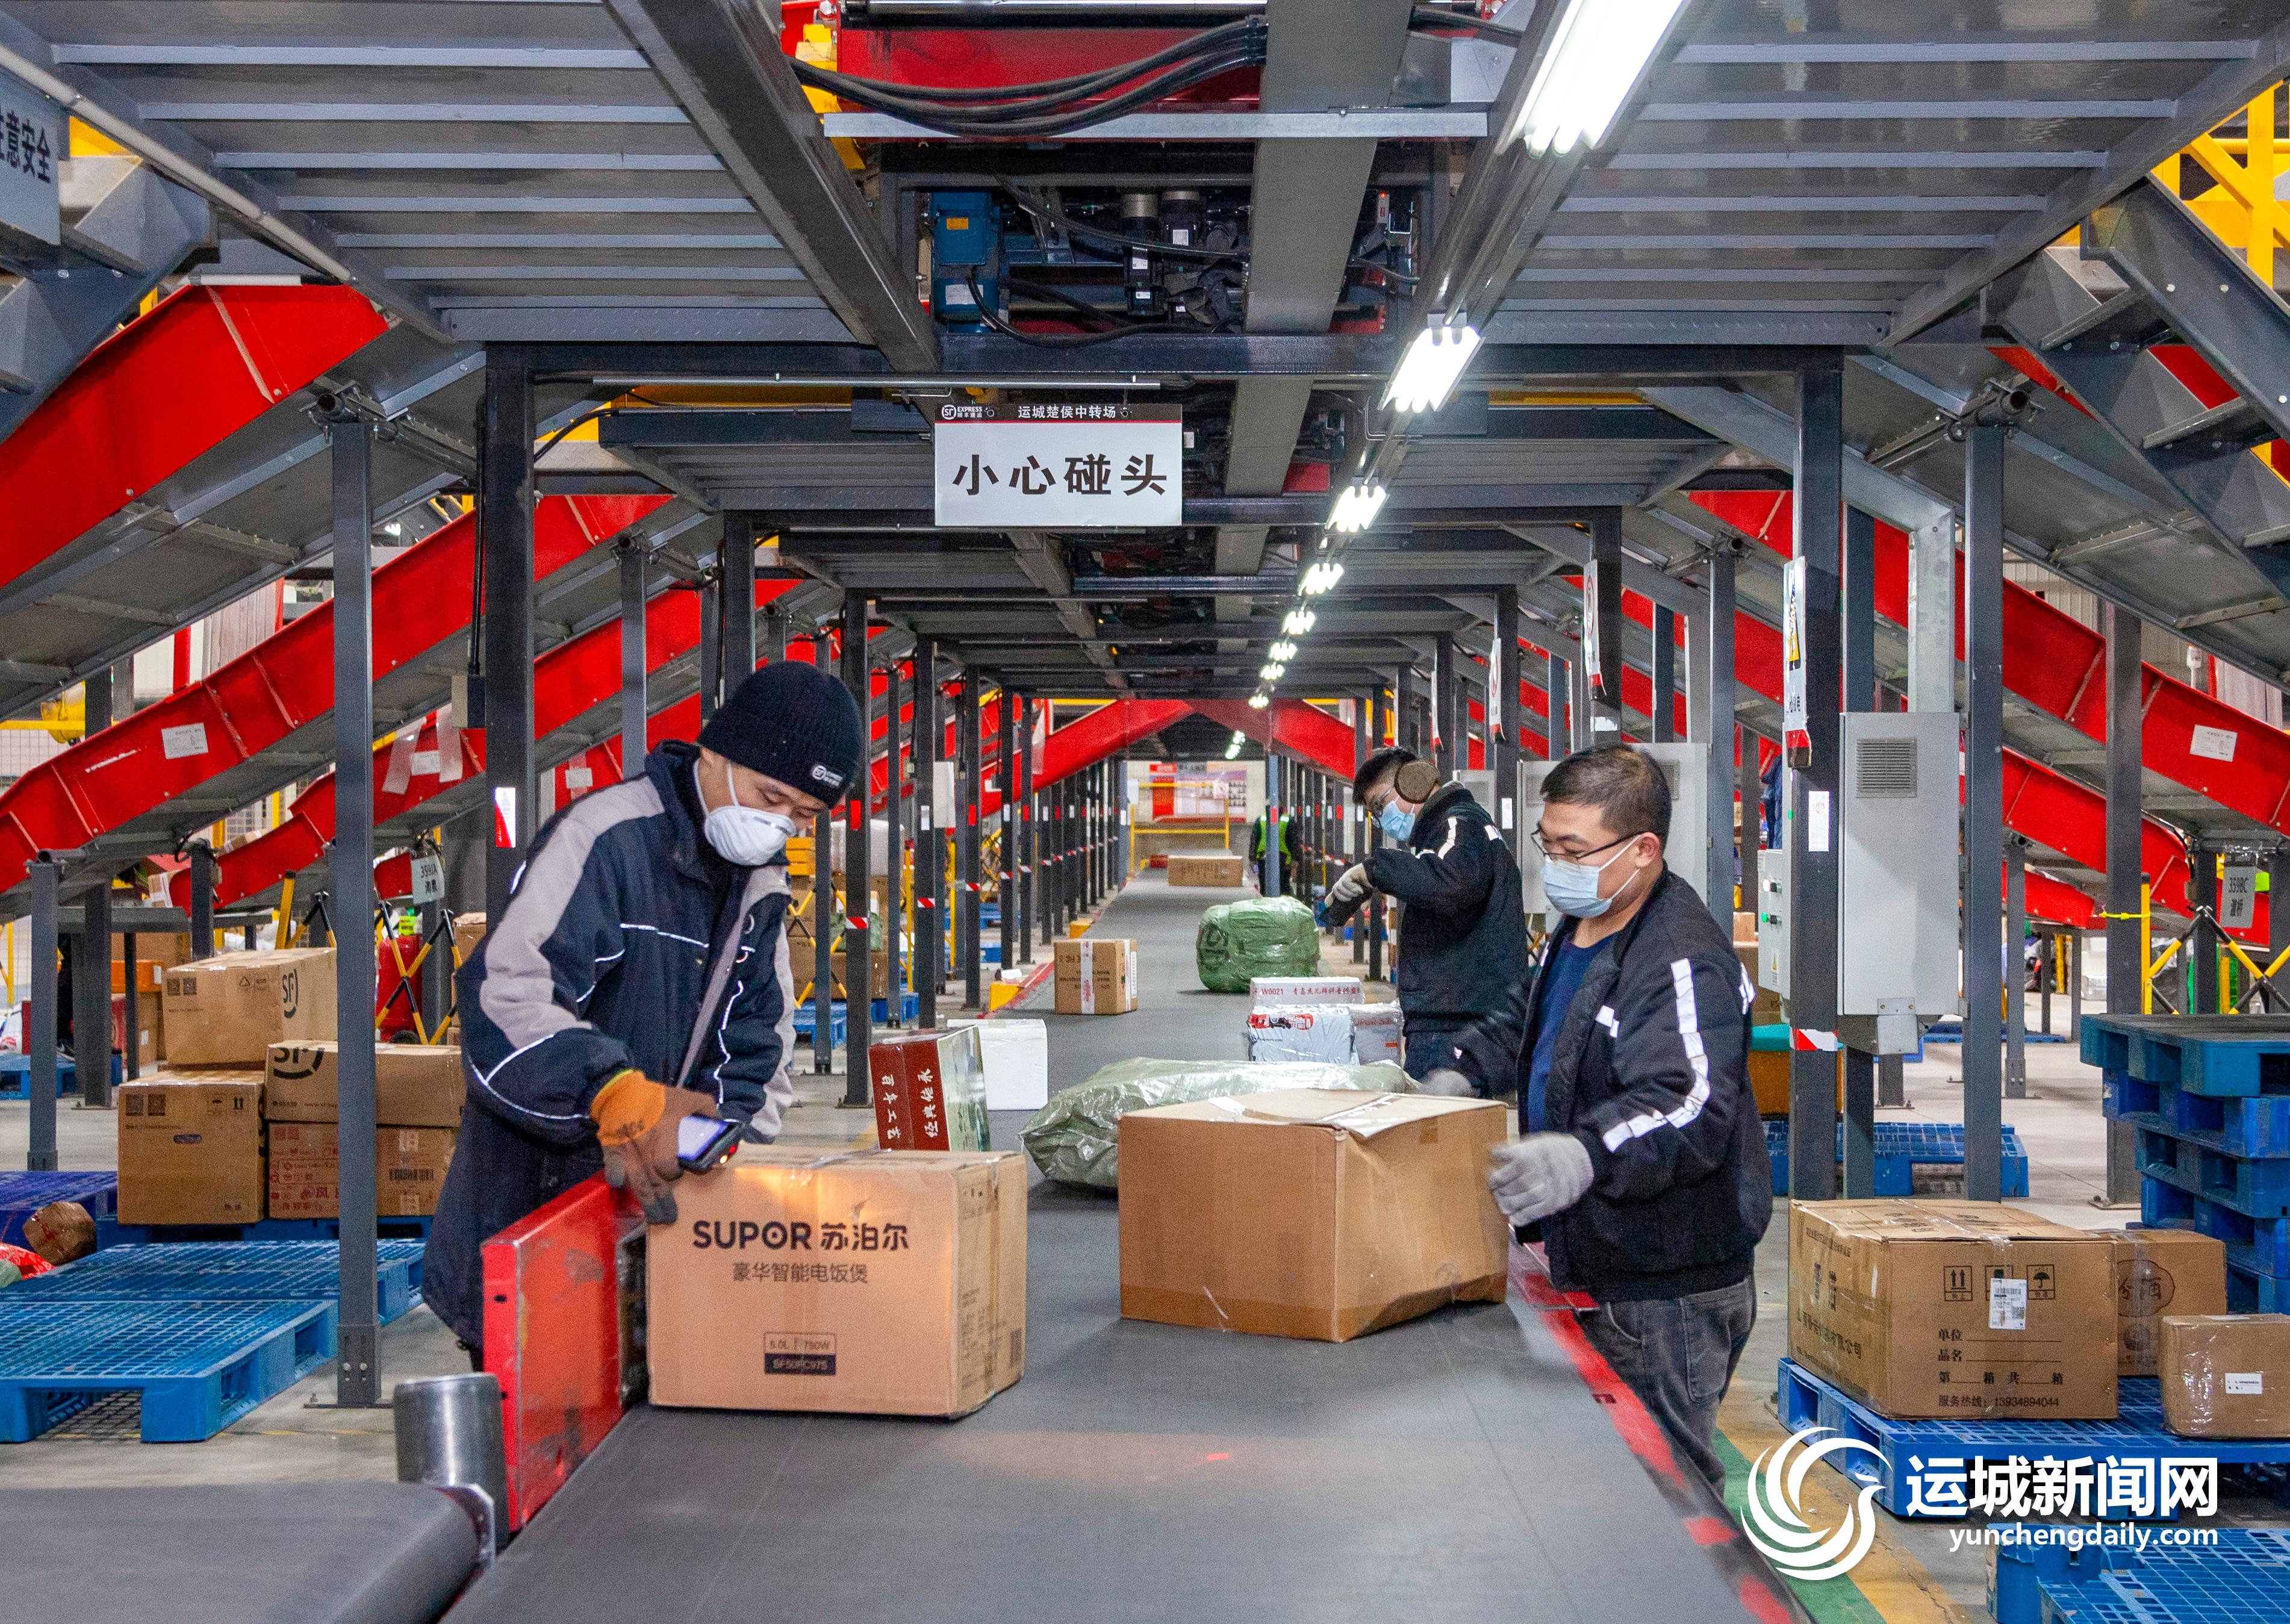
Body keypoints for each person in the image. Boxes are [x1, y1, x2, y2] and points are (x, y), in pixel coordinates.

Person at [423, 661, 865, 1358]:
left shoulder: (758, 886)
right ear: (715, 753)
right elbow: (507, 999)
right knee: (542, 1405)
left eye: (804, 815)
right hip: (537, 1211)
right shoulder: (604, 838)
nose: (778, 823)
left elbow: (756, 1039)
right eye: (770, 796)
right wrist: (610, 1091)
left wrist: (714, 1144)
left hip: (652, 1226)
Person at [1446, 745, 1770, 1493]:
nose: (1556, 867)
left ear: (1642, 849)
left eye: (1574, 851)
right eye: (1548, 846)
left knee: (1667, 1494)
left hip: (1664, 1288)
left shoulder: (1679, 958)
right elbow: (1537, 1018)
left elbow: (1688, 1103)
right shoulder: (1583, 924)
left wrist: (1586, 1154)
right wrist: (1461, 1066)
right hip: (1599, 1259)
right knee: (1611, 1486)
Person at [1325, 747, 1526, 1085]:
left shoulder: (1460, 825)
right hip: (1456, 1019)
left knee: (1440, 1120)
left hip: (1458, 1027)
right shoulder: (1445, 833)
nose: (1381, 819)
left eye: (1380, 805)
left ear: (1415, 781)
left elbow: (1450, 882)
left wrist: (1374, 871)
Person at [1249, 801, 1300, 897]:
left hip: (1266, 859)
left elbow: (1254, 838)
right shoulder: (1288, 820)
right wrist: (1294, 859)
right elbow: (1295, 841)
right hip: (1282, 860)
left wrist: (1252, 858)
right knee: (1282, 888)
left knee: (1266, 886)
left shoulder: (1262, 819)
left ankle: (1267, 901)